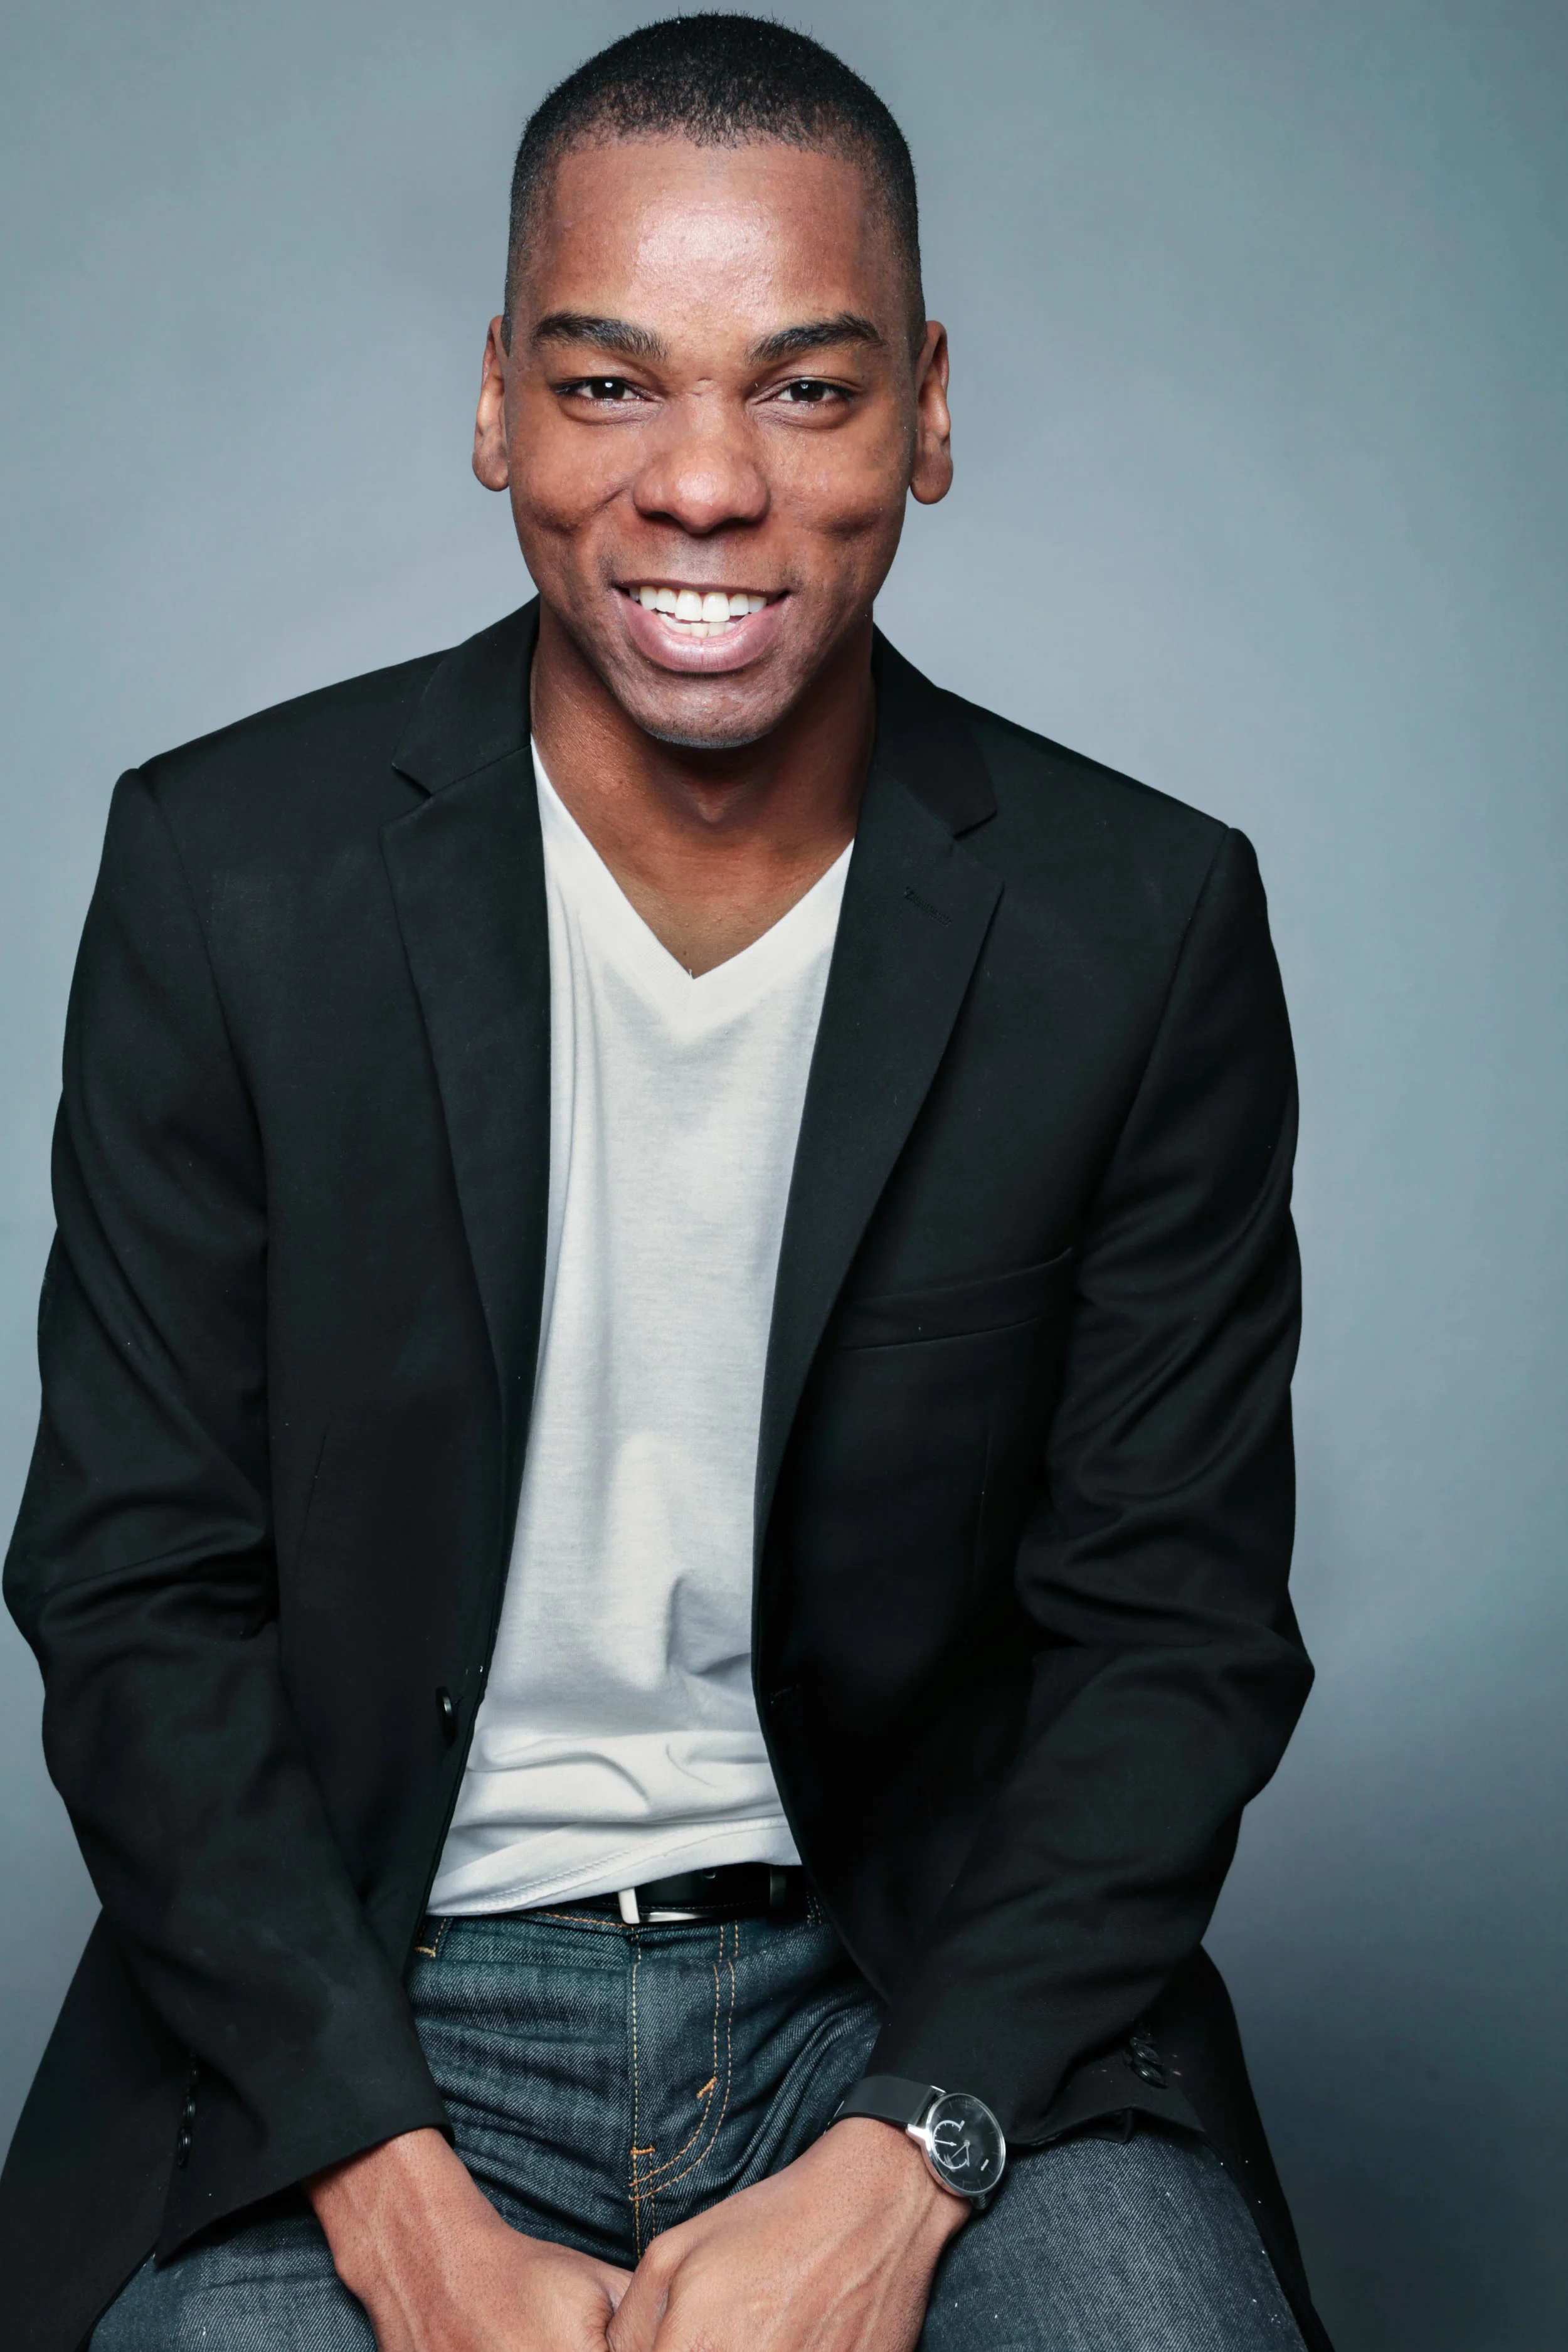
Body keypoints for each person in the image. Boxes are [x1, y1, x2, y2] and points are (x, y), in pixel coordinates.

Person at [1, 17, 1330, 2351]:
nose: (702, 484)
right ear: (494, 400)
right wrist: (391, 2192)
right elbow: (133, 1593)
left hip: (909, 1986)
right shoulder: (227, 877)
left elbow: (1172, 1637)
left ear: (927, 412)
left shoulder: (1135, 925)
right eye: (610, 385)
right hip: (358, 2000)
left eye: (804, 390)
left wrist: (904, 2159)